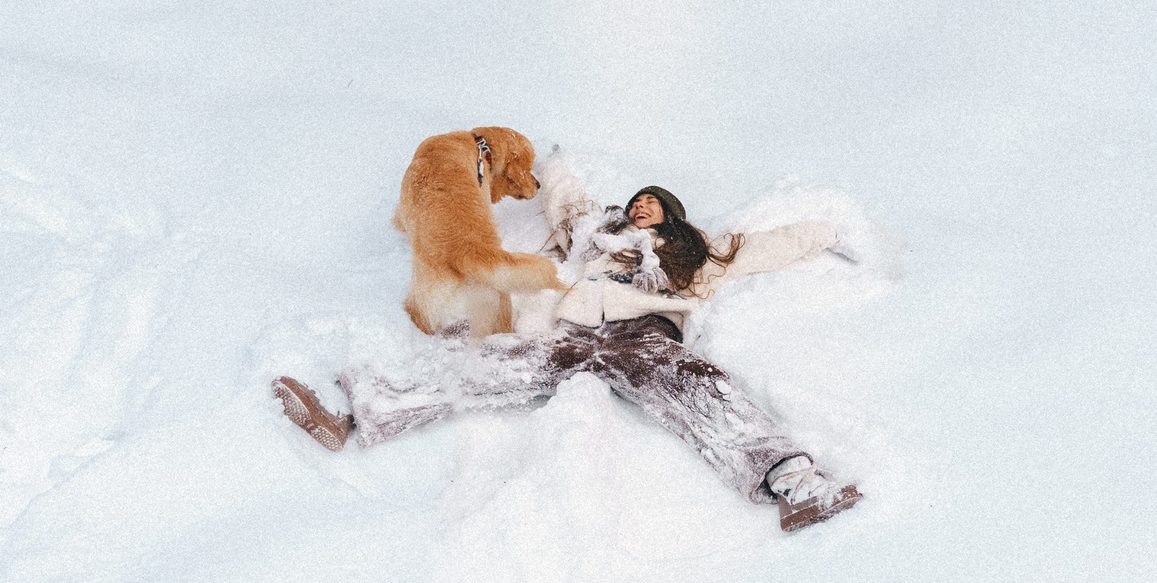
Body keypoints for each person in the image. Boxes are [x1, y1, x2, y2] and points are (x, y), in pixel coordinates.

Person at [273, 160, 863, 533]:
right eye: (635, 201)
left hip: (643, 335)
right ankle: (353, 416)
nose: (640, 207)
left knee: (696, 386)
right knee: (495, 368)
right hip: (576, 335)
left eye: (651, 202)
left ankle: (794, 482)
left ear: (671, 213)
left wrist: (826, 233)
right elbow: (569, 202)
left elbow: (766, 247)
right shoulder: (597, 235)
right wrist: (552, 164)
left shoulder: (696, 252)